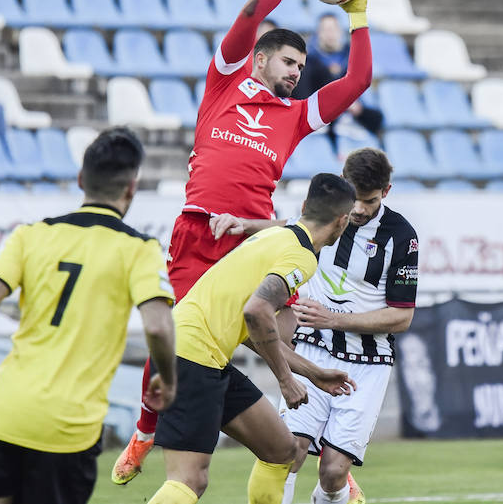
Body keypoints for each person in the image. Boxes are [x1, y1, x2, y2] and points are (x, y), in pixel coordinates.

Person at [112, 0, 374, 484]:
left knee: (282, 335)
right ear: (260, 58)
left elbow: (357, 82)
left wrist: (358, 16)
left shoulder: (297, 116)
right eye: (288, 62)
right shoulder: (224, 83)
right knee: (178, 332)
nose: (296, 74)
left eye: (302, 67)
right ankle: (144, 430)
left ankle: (317, 445)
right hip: (199, 229)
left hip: (257, 243)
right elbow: (250, 15)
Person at [0, 127, 178, 504]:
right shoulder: (139, 248)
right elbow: (158, 325)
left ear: (81, 180)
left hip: (7, 415)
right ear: (131, 188)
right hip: (69, 432)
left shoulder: (31, 235)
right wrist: (167, 376)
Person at [144, 173, 359, 504]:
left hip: (200, 351)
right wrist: (286, 381)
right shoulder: (301, 255)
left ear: (303, 207)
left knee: (281, 449)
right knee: (190, 479)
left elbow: (252, 329)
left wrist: (312, 372)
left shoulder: (273, 237)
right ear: (343, 221)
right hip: (192, 355)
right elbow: (257, 312)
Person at [223, 148, 417, 504]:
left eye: (369, 201)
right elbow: (293, 229)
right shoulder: (330, 213)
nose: (358, 209)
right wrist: (249, 225)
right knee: (289, 452)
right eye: (354, 199)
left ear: (386, 192)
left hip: (367, 363)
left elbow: (402, 317)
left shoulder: (402, 236)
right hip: (313, 348)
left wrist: (335, 319)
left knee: (332, 472)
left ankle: (342, 492)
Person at [293, 13, 383, 147]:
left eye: (333, 29)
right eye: (325, 29)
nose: (330, 33)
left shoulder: (354, 61)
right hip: (321, 128)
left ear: (340, 31)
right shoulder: (307, 64)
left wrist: (357, 109)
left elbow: (376, 117)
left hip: (351, 124)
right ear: (318, 33)